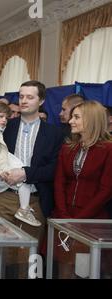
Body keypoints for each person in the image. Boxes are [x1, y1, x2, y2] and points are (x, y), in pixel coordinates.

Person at [0, 80, 63, 278]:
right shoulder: (4, 127)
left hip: (34, 202)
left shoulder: (53, 132)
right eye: (21, 96)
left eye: (30, 97)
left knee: (27, 259)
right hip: (2, 196)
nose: (24, 101)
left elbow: (55, 168)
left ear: (41, 100)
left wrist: (26, 173)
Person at [53, 100, 112, 278]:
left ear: (92, 120)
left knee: (85, 272)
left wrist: (78, 220)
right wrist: (64, 217)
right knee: (64, 269)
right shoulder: (68, 148)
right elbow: (59, 182)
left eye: (76, 117)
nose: (71, 121)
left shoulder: (108, 149)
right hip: (64, 219)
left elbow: (106, 190)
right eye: (72, 117)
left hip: (92, 222)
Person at [0, 102, 40, 226]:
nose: (4, 120)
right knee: (23, 177)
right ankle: (24, 208)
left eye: (6, 118)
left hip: (3, 158)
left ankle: (24, 207)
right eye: (1, 116)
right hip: (0, 162)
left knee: (24, 174)